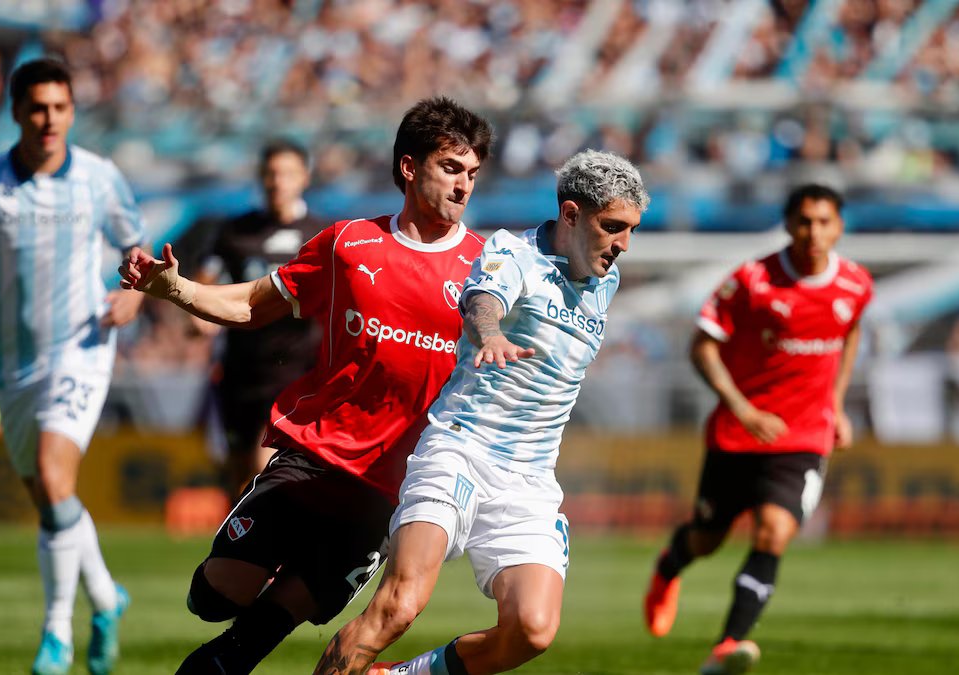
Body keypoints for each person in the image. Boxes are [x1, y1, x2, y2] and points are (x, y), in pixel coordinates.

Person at [119, 96, 493, 675]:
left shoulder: (489, 267)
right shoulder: (349, 244)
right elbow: (251, 304)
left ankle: (229, 658)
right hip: (315, 454)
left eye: (473, 172)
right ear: (409, 167)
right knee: (215, 595)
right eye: (451, 167)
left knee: (274, 621)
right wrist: (177, 291)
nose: (465, 184)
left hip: (395, 484)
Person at [312, 149, 649, 675]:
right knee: (399, 606)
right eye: (613, 227)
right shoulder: (513, 253)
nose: (623, 244)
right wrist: (490, 334)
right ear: (570, 214)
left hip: (530, 481)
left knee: (532, 630)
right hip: (461, 452)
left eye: (631, 230)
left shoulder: (606, 281)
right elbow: (481, 301)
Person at [0, 58, 145, 675]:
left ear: (72, 111)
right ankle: (106, 599)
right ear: (17, 111)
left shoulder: (99, 179)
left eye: (60, 108)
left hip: (82, 346)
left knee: (53, 477)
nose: (50, 120)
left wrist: (132, 292)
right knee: (54, 501)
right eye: (38, 108)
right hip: (14, 364)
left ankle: (56, 638)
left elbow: (136, 250)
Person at [642, 184, 873, 675]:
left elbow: (849, 333)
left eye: (824, 221)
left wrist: (836, 404)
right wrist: (741, 408)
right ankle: (668, 567)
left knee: (774, 532)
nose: (814, 232)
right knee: (707, 538)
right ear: (788, 224)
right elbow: (702, 346)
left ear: (840, 226)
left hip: (805, 436)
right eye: (804, 221)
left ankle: (729, 645)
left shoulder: (855, 284)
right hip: (737, 434)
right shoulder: (753, 280)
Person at [193, 138, 325, 498]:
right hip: (240, 370)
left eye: (286, 173)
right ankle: (246, 551)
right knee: (237, 479)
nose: (277, 181)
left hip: (295, 371)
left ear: (304, 178)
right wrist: (198, 314)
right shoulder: (235, 232)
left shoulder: (321, 235)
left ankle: (272, 549)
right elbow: (206, 279)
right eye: (270, 173)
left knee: (262, 466)